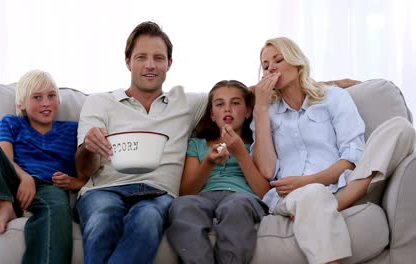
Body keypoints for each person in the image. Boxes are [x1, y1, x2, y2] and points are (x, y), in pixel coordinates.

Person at [250, 37, 415, 264]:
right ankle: (319, 209)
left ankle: (332, 206)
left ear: (298, 63)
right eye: (266, 65)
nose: (272, 68)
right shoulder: (266, 112)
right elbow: (268, 171)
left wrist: (309, 180)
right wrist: (259, 107)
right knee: (313, 194)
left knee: (400, 127)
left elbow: (352, 154)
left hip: (347, 184)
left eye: (278, 59)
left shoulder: (333, 96)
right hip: (295, 195)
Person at [74, 21, 207, 263]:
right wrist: (89, 148)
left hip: (158, 193)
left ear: (169, 64)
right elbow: (84, 169)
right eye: (141, 57)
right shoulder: (99, 102)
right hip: (104, 190)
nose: (150, 65)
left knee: (147, 218)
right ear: (128, 62)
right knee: (103, 218)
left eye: (158, 58)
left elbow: (234, 96)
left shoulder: (185, 104)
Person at [0, 70, 84, 264]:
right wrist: (24, 177)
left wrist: (75, 181)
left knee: (57, 208)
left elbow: (90, 164)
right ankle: (3, 205)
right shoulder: (12, 123)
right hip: (9, 178)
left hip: (49, 186)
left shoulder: (73, 130)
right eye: (37, 97)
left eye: (51, 96)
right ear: (21, 104)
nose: (46, 102)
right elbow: (5, 159)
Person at [166, 80, 270, 264]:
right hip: (203, 196)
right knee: (183, 206)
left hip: (242, 196)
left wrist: (240, 153)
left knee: (235, 206)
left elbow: (264, 193)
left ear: (247, 112)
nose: (227, 109)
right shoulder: (197, 144)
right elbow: (186, 192)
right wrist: (208, 162)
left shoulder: (257, 146)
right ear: (212, 115)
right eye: (220, 104)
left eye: (235, 103)